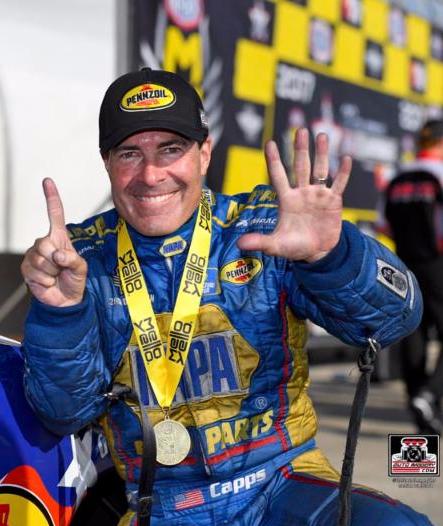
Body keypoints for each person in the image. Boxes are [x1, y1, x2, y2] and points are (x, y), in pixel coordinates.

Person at [21, 68, 430, 526]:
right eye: (130, 153)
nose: (151, 174)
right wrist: (60, 314)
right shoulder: (81, 259)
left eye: (170, 149)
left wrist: (332, 257)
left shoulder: (262, 227)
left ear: (204, 154)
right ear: (107, 163)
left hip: (282, 482)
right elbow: (64, 414)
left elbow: (396, 320)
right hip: (161, 505)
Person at [385, 119, 443, 435]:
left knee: (414, 335)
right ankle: (429, 395)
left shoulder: (398, 177)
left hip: (405, 264)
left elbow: (382, 224)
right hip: (437, 262)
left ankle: (419, 404)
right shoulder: (439, 174)